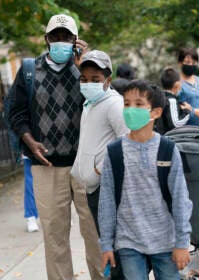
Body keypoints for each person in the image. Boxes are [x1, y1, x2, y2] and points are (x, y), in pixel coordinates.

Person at [8, 14, 103, 280]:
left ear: (76, 40)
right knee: (54, 237)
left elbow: (105, 104)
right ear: (46, 39)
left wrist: (83, 66)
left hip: (86, 166)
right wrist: (28, 140)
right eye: (56, 37)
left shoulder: (86, 70)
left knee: (95, 233)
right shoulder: (29, 70)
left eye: (67, 37)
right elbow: (15, 113)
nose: (61, 42)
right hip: (46, 166)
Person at [98, 80, 193, 280]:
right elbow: (106, 201)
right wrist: (106, 244)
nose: (131, 109)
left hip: (166, 240)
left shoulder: (167, 149)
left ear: (156, 113)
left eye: (139, 104)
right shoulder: (114, 152)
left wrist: (182, 242)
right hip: (128, 241)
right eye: (126, 104)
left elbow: (180, 198)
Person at [71, 50, 128, 235]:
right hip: (94, 188)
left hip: (107, 187)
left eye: (95, 80)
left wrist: (100, 169)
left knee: (114, 245)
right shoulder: (90, 103)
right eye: (84, 79)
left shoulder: (114, 104)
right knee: (106, 242)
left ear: (107, 81)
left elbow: (128, 139)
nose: (88, 84)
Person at [155, 67, 191, 134]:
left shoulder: (160, 97)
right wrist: (187, 111)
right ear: (177, 85)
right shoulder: (172, 101)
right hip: (168, 138)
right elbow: (176, 124)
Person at [23, 155, 40, 232]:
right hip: (30, 150)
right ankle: (31, 216)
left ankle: (61, 214)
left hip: (53, 150)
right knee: (30, 184)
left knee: (56, 181)